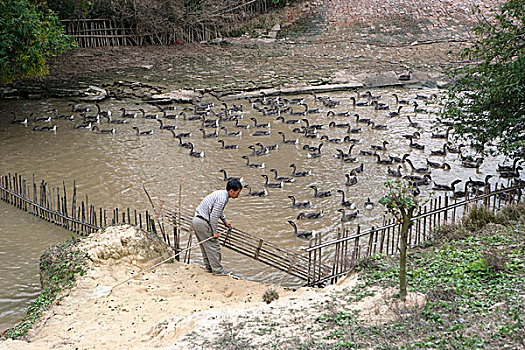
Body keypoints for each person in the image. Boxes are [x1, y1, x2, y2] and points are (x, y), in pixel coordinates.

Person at [192, 178, 242, 275]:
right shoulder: (222, 198)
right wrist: (214, 232)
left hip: (197, 220)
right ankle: (218, 271)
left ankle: (209, 267)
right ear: (231, 191)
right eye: (238, 193)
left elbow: (218, 211)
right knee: (214, 246)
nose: (238, 195)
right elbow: (214, 216)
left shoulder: (221, 194)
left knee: (205, 246)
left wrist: (224, 221)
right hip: (202, 221)